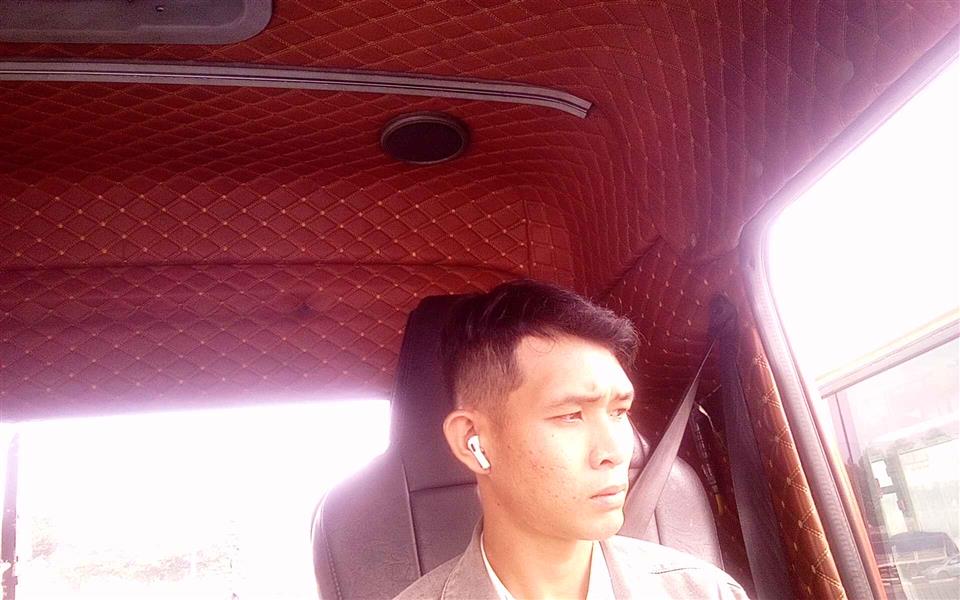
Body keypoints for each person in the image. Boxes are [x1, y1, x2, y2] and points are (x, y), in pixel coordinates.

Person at [394, 280, 748, 599]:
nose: (615, 452)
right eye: (571, 415)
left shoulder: (706, 592)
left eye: (619, 411)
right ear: (474, 441)